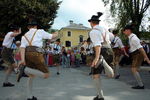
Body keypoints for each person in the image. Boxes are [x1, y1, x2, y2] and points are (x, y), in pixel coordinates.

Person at [19, 20, 58, 100]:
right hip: (36, 54)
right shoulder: (39, 31)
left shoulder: (24, 35)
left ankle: (29, 96)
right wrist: (56, 33)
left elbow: (22, 48)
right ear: (36, 26)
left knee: (31, 75)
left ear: (28, 27)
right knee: (46, 75)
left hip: (27, 54)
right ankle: (25, 69)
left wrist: (23, 60)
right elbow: (51, 36)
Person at [88, 12, 114, 100]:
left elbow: (97, 45)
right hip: (109, 50)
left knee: (96, 75)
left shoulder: (93, 32)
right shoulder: (104, 29)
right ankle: (100, 95)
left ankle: (101, 96)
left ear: (91, 23)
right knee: (105, 74)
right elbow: (112, 37)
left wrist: (96, 57)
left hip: (101, 52)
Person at [123, 25, 150, 89]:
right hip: (135, 54)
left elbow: (141, 48)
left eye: (124, 31)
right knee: (136, 69)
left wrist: (146, 58)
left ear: (128, 30)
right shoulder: (131, 37)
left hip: (137, 54)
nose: (124, 32)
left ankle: (141, 85)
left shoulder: (134, 38)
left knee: (133, 69)